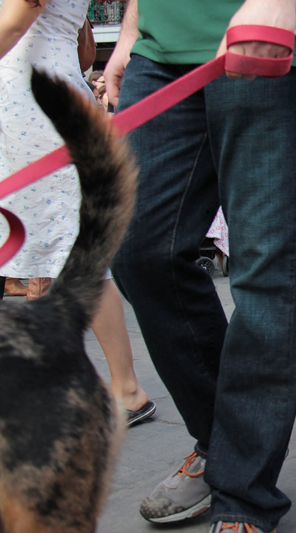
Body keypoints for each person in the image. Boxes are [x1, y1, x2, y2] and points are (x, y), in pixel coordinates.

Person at [105, 0, 296, 531]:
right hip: (161, 39)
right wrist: (132, 25)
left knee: (268, 270)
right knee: (136, 248)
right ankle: (224, 444)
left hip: (271, 32)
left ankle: (242, 488)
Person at [0, 0, 154, 424]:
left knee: (67, 249)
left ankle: (125, 388)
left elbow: (16, 20)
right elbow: (83, 46)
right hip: (35, 101)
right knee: (49, 253)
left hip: (34, 107)